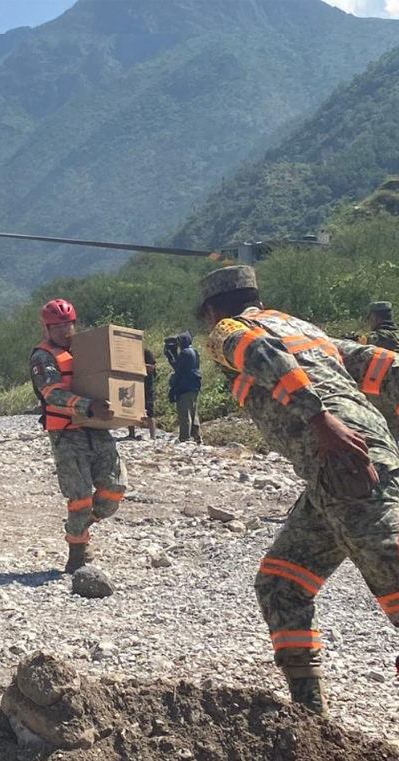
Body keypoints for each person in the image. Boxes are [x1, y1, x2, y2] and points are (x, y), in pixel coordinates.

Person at [200, 265, 399, 717]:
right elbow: (383, 368)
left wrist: (319, 418)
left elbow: (259, 352)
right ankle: (310, 719)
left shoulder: (230, 330)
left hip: (342, 461)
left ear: (212, 311)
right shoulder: (303, 329)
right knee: (281, 584)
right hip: (337, 471)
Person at [30, 299, 127, 574]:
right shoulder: (43, 357)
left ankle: (84, 524)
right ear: (47, 329)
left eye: (68, 325)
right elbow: (52, 394)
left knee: (114, 488)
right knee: (80, 496)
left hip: (96, 429)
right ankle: (77, 553)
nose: (65, 331)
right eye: (58, 327)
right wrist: (88, 406)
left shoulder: (87, 352)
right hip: (66, 434)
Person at [167, 332, 202, 443]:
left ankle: (185, 436)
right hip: (194, 385)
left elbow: (178, 367)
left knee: (184, 412)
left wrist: (170, 356)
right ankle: (196, 436)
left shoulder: (185, 353)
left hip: (185, 385)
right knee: (193, 411)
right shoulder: (194, 352)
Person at [126, 348, 157, 440]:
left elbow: (152, 368)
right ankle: (131, 434)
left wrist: (139, 365)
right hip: (132, 383)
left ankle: (153, 436)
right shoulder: (129, 352)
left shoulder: (146, 352)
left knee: (149, 410)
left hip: (146, 386)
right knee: (130, 408)